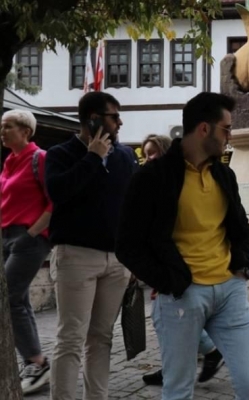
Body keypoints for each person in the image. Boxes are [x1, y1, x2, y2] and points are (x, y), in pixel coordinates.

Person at [116, 93, 249, 399]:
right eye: (226, 129)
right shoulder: (152, 177)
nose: (230, 136)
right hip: (182, 295)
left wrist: (243, 266)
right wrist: (167, 280)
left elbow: (241, 227)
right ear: (204, 129)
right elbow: (128, 244)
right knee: (179, 389)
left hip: (230, 291)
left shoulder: (224, 174)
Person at [45, 92, 138, 400]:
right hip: (75, 256)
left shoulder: (125, 157)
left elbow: (133, 206)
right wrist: (93, 158)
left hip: (117, 261)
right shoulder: (61, 153)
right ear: (93, 119)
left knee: (101, 338)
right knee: (70, 339)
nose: (120, 121)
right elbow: (59, 192)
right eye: (114, 116)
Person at [137, 134, 225, 387]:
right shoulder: (153, 182)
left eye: (153, 152)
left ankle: (196, 358)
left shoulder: (178, 182)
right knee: (168, 317)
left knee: (169, 317)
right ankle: (182, 362)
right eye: (146, 154)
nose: (148, 159)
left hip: (182, 266)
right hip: (167, 266)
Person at [1, 110, 53, 394]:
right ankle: (35, 362)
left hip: (29, 238)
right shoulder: (9, 161)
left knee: (7, 298)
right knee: (18, 299)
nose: (3, 131)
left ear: (26, 131)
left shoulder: (39, 158)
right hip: (6, 236)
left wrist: (32, 234)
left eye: (8, 126)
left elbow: (55, 201)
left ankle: (36, 361)